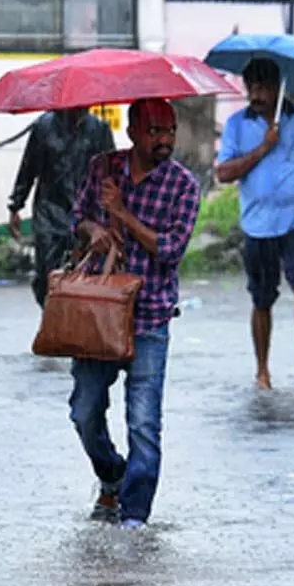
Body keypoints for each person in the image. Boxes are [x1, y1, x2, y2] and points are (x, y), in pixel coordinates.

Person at [67, 98, 201, 529]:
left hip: (150, 318)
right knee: (84, 411)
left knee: (144, 423)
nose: (164, 140)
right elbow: (78, 222)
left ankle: (135, 514)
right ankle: (111, 476)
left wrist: (124, 213)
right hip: (98, 316)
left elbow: (170, 250)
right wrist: (99, 229)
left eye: (170, 131)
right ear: (132, 131)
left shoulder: (183, 186)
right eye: (154, 131)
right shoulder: (102, 168)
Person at [215, 58, 294, 392]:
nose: (255, 94)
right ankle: (263, 370)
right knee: (262, 299)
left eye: (262, 87)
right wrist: (263, 148)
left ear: (276, 87)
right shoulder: (237, 125)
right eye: (250, 87)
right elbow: (224, 173)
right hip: (257, 224)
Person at [8, 107, 116, 307]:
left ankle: (75, 325)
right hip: (50, 215)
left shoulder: (99, 129)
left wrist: (112, 214)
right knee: (47, 277)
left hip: (87, 216)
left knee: (84, 279)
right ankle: (51, 318)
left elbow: (111, 175)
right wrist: (16, 204)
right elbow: (28, 168)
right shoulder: (43, 127)